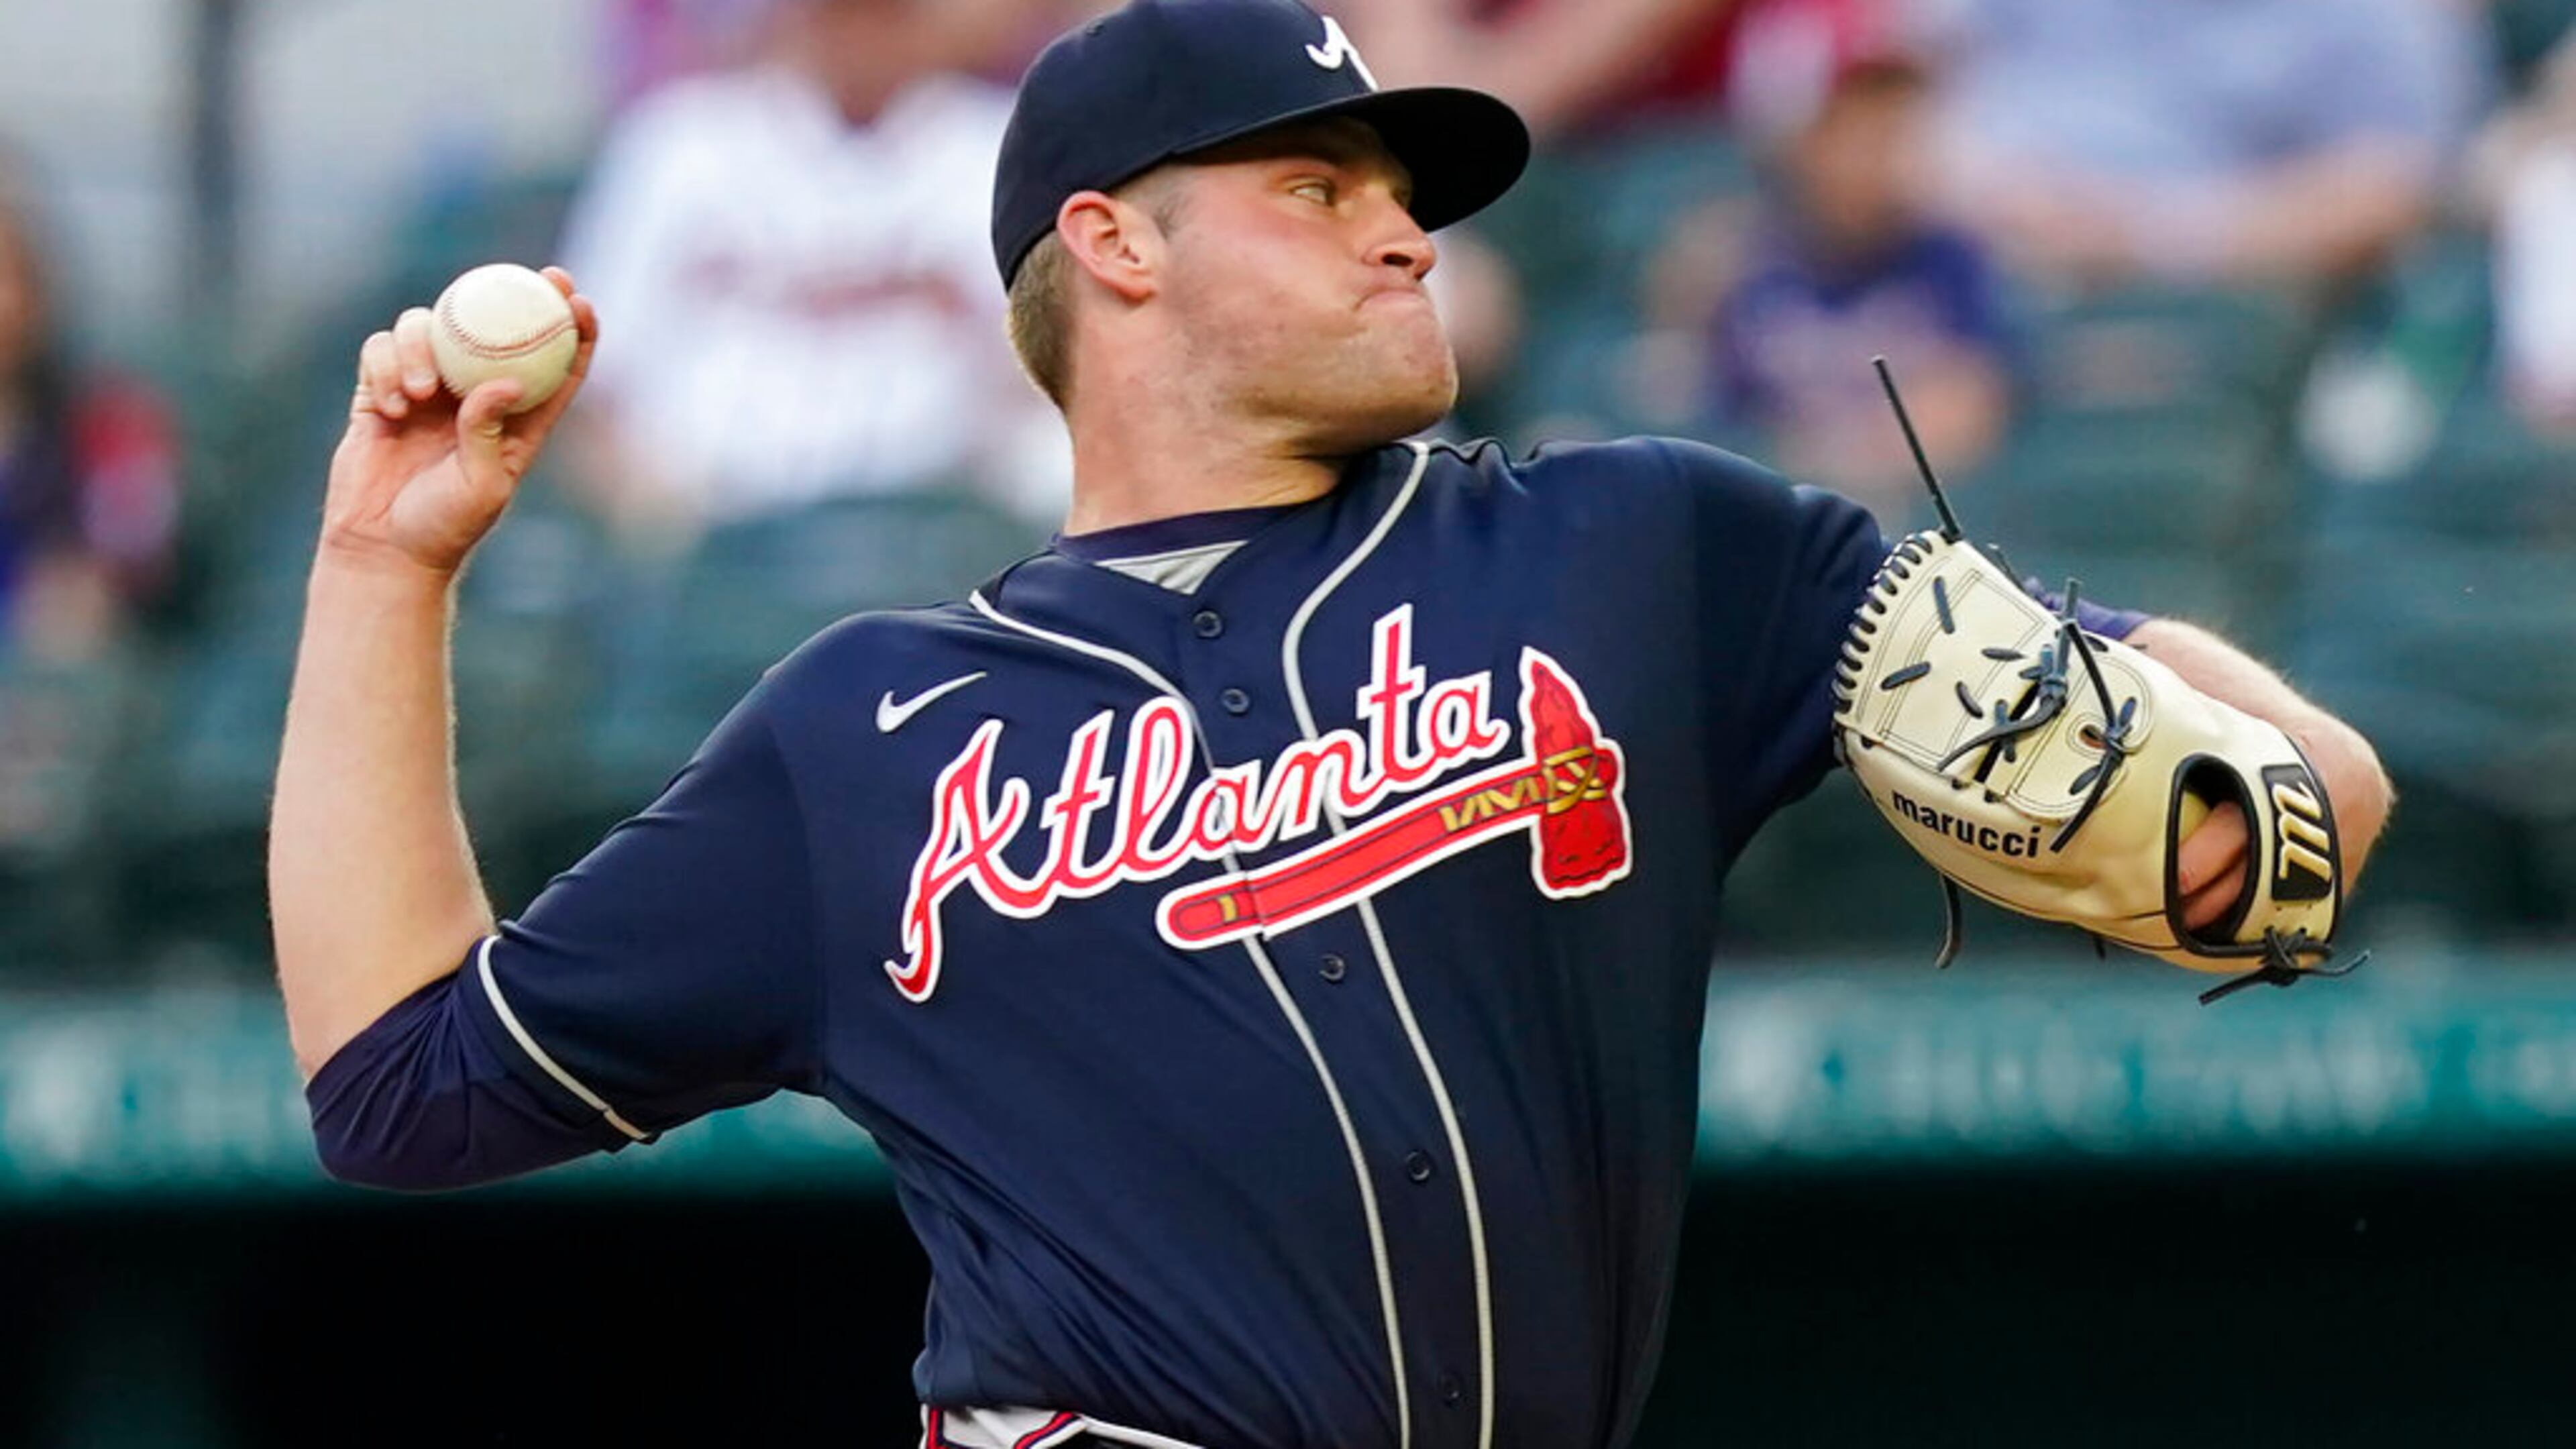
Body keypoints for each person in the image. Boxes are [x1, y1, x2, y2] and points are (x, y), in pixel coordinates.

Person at [272, 3, 2393, 1446]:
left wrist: (2225, 762)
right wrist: (386, 571)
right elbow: (398, 1085)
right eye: (1315, 186)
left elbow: (2303, 814)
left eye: (1406, 188)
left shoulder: (1643, 550)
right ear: (1109, 247)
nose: (1404, 229)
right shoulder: (871, 735)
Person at [555, 0, 1073, 545]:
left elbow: (1055, 380)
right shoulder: (679, 141)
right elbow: (596, 388)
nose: (862, 36)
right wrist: (644, 517)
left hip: (940, 521)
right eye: (841, 14)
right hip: (711, 526)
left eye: (885, 16)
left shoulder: (1004, 145)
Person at [1660, 48, 2013, 526]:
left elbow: (1971, 404)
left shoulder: (1952, 258)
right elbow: (1730, 424)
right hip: (1787, 521)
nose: (1881, 156)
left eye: (1896, 130)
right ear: (1804, 142)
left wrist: (1858, 454)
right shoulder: (1748, 267)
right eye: (1857, 131)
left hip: (1919, 524)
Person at [1924, 0, 2488, 287]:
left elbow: (2387, 190)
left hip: (2218, 313)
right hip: (1982, 275)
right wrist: (2000, 193)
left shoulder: (2371, 16)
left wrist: (2148, 233)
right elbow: (1917, 101)